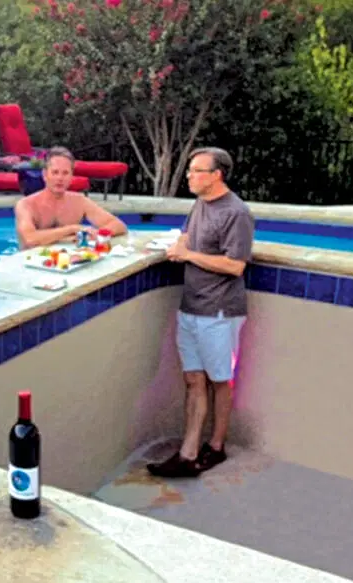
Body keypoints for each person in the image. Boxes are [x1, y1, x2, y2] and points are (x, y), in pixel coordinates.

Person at [147, 147, 255, 479]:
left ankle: (217, 447)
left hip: (219, 311)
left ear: (216, 175)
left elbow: (235, 265)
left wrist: (189, 255)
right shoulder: (199, 204)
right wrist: (176, 248)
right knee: (194, 380)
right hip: (191, 307)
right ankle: (188, 453)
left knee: (220, 381)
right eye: (190, 170)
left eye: (196, 171)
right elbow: (186, 237)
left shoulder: (237, 213)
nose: (189, 176)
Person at [14, 147, 127, 249]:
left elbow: (119, 226)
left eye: (65, 173)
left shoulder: (79, 201)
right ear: (44, 175)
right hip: (31, 261)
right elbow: (30, 239)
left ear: (71, 176)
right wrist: (72, 229)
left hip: (67, 260)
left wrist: (94, 234)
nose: (60, 178)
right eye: (55, 172)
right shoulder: (26, 205)